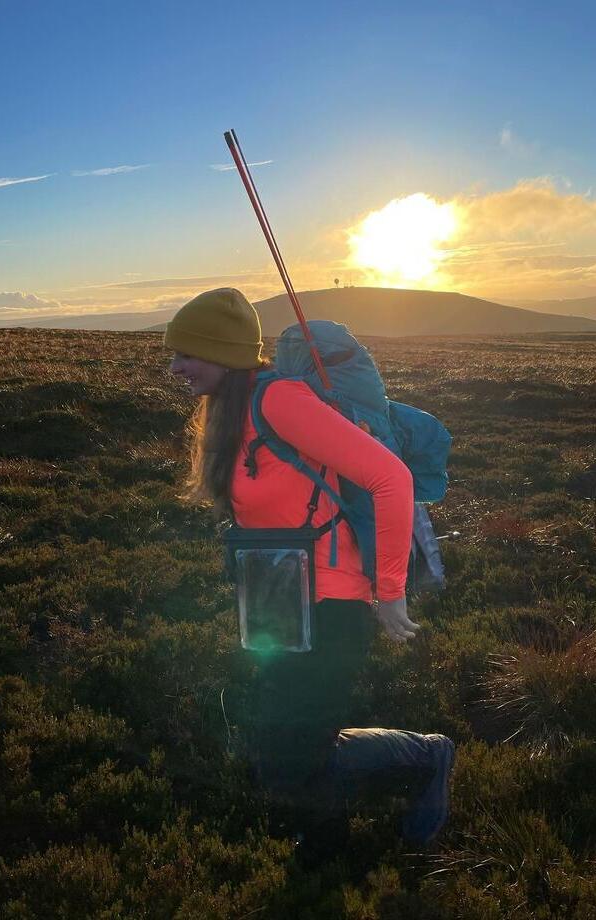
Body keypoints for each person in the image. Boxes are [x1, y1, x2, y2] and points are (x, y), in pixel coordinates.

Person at [165, 287, 454, 861]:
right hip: (277, 600)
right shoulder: (228, 412)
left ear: (221, 352)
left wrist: (390, 594)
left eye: (185, 354)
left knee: (296, 747)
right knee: (286, 741)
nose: (174, 368)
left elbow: (391, 480)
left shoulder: (279, 401)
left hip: (333, 605)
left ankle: (421, 762)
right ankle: (325, 832)